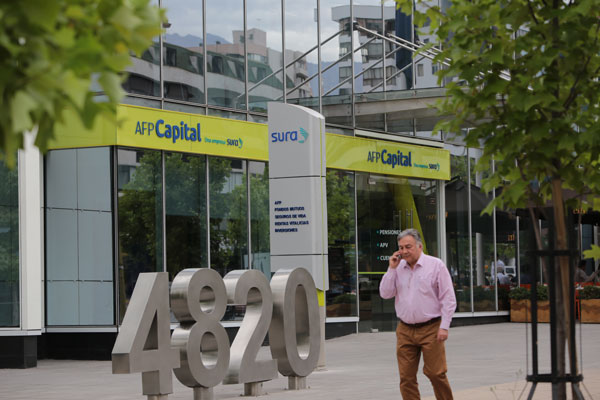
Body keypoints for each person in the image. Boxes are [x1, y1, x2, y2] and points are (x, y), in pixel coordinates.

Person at [379, 228, 456, 400]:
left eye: (408, 247)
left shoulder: (436, 265)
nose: (404, 251)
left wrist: (444, 326)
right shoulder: (397, 268)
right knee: (406, 378)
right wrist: (391, 269)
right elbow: (385, 293)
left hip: (431, 328)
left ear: (419, 246)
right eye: (401, 247)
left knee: (436, 374)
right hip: (405, 329)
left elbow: (448, 298)